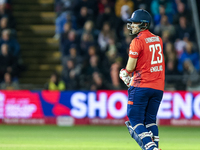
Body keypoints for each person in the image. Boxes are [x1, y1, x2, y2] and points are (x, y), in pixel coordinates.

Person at [119, 9, 165, 150]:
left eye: (135, 23)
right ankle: (155, 146)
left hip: (141, 86)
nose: (132, 26)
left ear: (144, 24)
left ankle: (152, 149)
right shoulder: (158, 39)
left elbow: (131, 67)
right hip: (158, 87)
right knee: (150, 122)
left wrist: (124, 73)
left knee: (135, 120)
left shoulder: (137, 41)